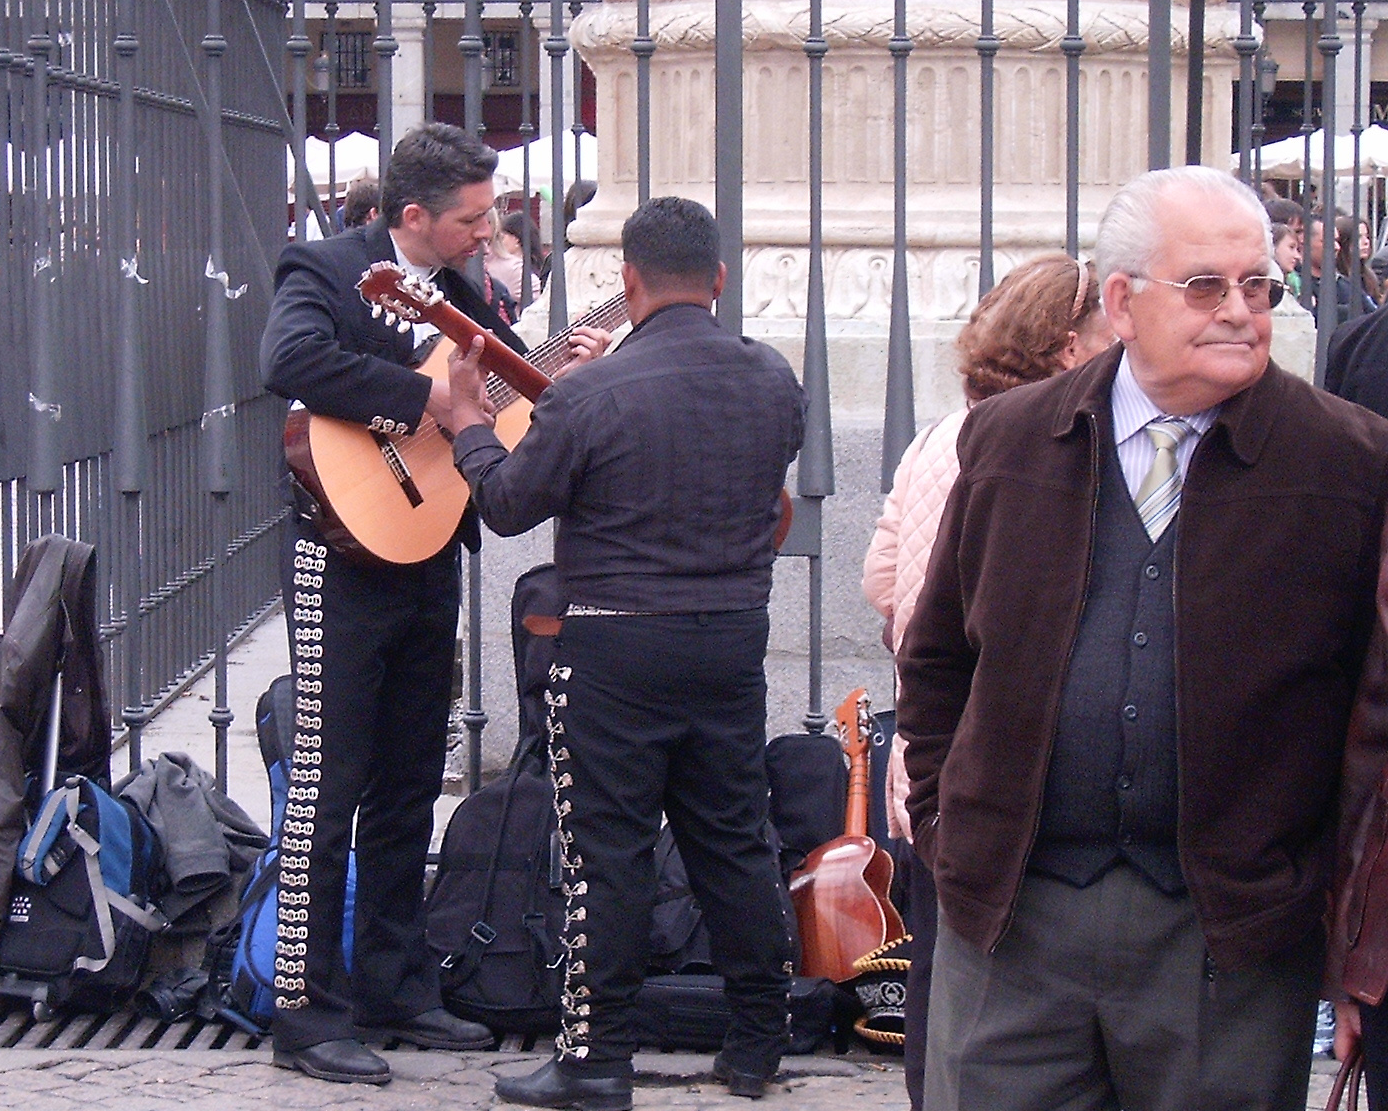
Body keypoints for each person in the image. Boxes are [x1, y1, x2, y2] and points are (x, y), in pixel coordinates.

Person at [898, 165, 1388, 1111]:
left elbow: (1373, 714)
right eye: (1205, 285)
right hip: (1010, 923)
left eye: (1259, 287)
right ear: (1121, 301)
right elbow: (937, 662)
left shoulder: (1349, 462)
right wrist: (949, 828)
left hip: (1230, 938)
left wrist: (1329, 911)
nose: (1240, 312)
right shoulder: (1008, 439)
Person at [433, 196, 807, 1111]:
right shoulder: (771, 378)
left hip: (612, 642)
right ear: (718, 281)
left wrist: (467, 429)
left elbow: (511, 504)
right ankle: (759, 1044)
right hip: (729, 635)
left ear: (626, 282)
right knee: (732, 840)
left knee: (609, 851)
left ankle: (597, 1061)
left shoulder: (591, 393)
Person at [258, 122, 606, 1086]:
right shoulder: (327, 268)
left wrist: (547, 386)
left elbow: (488, 409)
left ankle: (394, 983)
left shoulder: (467, 297)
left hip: (424, 554)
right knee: (327, 786)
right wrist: (420, 409)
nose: (488, 229)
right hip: (339, 556)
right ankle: (303, 1007)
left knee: (413, 775)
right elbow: (291, 362)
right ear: (414, 215)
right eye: (473, 216)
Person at [862, 252, 1114, 1111]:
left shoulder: (939, 435)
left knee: (937, 960)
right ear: (1070, 347)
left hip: (930, 744)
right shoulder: (1048, 444)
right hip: (998, 739)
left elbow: (883, 582)